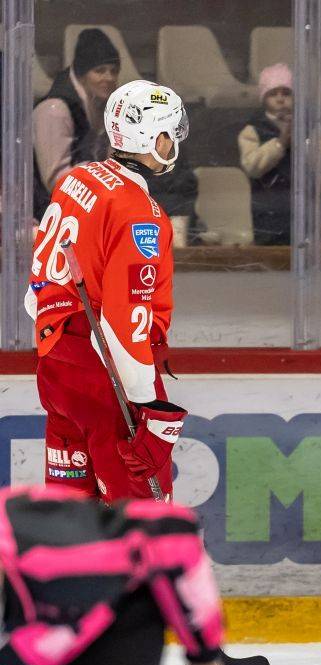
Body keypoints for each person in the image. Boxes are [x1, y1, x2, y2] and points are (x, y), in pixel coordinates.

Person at [26, 78, 190, 504]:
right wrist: (147, 406)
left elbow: (35, 292)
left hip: (56, 368)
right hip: (109, 380)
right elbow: (124, 321)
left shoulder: (77, 179)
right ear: (154, 138)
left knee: (70, 512)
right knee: (138, 518)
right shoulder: (140, 215)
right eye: (170, 133)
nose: (174, 143)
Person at [0, 484, 225, 665]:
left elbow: (172, 533)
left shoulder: (47, 548)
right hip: (33, 644)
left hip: (115, 625)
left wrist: (204, 660)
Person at [238, 63, 321, 245]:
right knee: (273, 256)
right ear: (263, 99)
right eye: (273, 94)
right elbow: (251, 166)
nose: (280, 99)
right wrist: (279, 143)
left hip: (308, 211)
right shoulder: (253, 130)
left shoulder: (310, 127)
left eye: (286, 93)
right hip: (269, 213)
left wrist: (304, 143)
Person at [33, 28, 121, 219]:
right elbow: (56, 181)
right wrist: (106, 177)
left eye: (113, 71)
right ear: (82, 74)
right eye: (100, 71)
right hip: (51, 215)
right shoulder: (54, 110)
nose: (109, 78)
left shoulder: (101, 104)